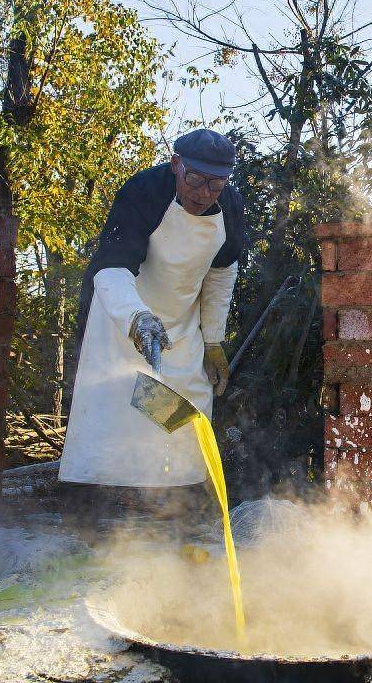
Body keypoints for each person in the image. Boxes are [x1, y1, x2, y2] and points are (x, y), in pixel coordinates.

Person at [58, 128, 246, 527]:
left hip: (180, 325)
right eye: (194, 179)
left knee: (184, 410)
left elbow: (221, 275)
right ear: (176, 164)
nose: (203, 193)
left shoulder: (229, 205)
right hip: (121, 317)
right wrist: (136, 318)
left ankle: (178, 512)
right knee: (115, 406)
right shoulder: (144, 191)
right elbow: (111, 268)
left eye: (216, 183)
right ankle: (89, 517)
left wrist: (213, 340)